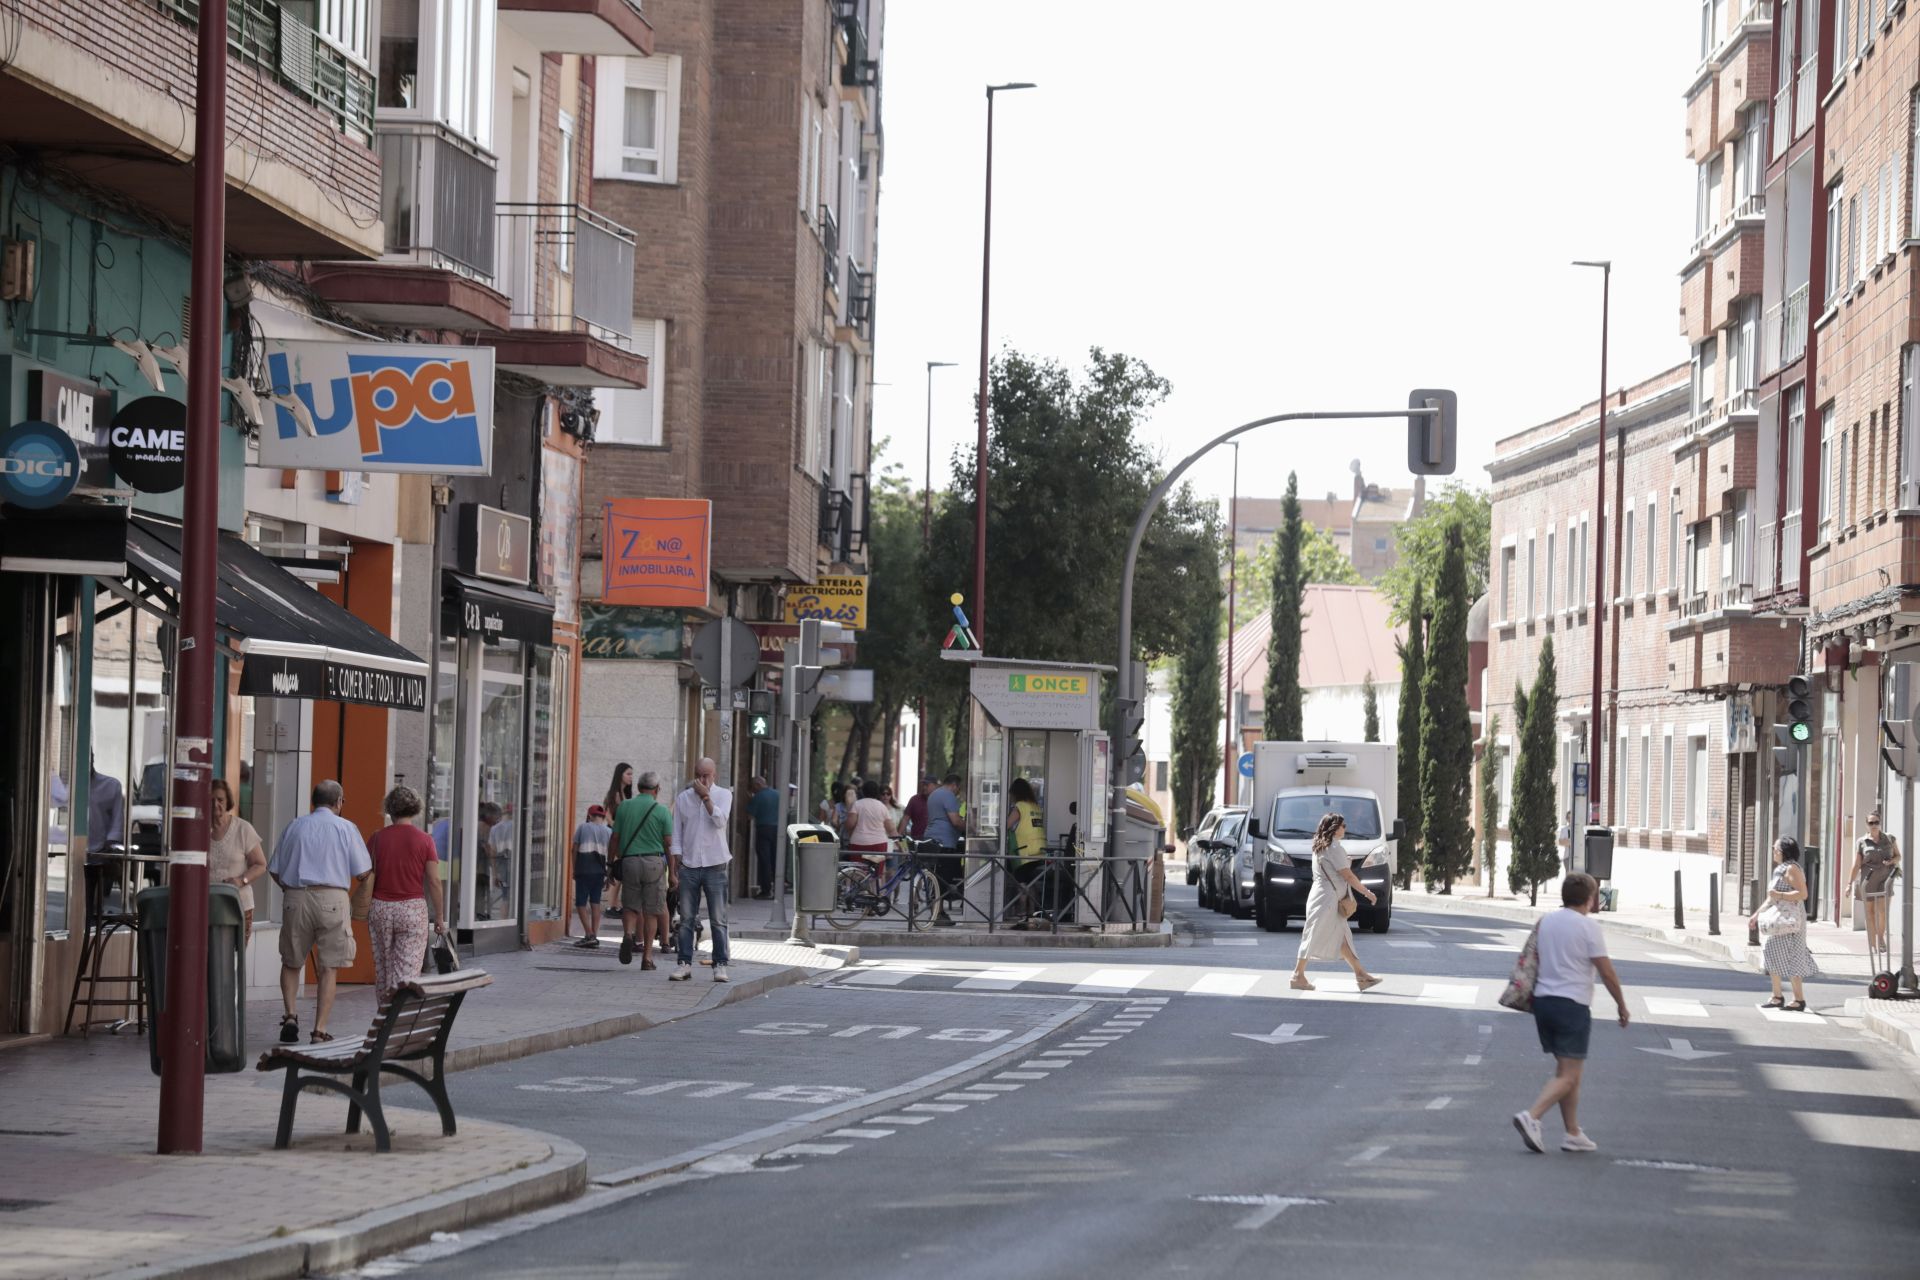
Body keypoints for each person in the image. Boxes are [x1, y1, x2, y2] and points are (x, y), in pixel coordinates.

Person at [1513, 872, 1628, 1155]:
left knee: (1567, 1071)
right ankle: (1532, 1116)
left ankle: (1573, 1133)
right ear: (1590, 898)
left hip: (1543, 1002)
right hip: (1571, 1004)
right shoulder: (1588, 928)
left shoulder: (1547, 921)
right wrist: (1621, 1005)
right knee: (1569, 1074)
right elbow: (1606, 971)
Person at [267, 780, 372, 1044]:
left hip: (297, 896)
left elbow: (275, 869)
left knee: (291, 962)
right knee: (329, 968)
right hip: (333, 897)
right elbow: (362, 871)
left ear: (313, 801)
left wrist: (290, 889)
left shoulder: (294, 826)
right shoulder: (346, 828)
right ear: (339, 802)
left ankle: (290, 1016)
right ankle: (319, 1031)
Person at [364, 786, 445, 1005]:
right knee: (406, 973)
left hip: (380, 908)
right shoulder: (425, 840)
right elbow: (434, 881)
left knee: (384, 967)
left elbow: (364, 873)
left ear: (389, 809)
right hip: (412, 909)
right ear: (416, 808)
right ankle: (398, 1020)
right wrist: (439, 917)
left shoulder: (377, 838)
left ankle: (383, 1016)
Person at [1290, 813, 1383, 992]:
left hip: (1322, 896)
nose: (1345, 828)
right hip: (1327, 900)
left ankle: (1361, 975)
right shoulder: (1334, 848)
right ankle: (1297, 975)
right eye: (1342, 825)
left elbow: (1333, 870)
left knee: (1342, 937)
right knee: (1313, 935)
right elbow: (1347, 875)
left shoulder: (1320, 847)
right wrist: (1367, 892)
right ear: (1334, 828)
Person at [671, 757, 733, 982]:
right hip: (689, 865)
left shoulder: (723, 795)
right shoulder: (683, 799)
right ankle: (684, 963)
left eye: (707, 775)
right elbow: (676, 831)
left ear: (714, 775)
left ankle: (720, 964)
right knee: (686, 918)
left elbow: (720, 821)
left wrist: (706, 797)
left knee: (718, 918)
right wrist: (676, 860)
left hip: (715, 865)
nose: (703, 779)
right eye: (699, 775)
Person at [610, 773, 673, 969]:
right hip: (654, 862)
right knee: (652, 911)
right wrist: (674, 871)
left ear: (638, 788)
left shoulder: (624, 807)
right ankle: (647, 958)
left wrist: (610, 864)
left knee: (630, 906)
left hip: (629, 862)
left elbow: (614, 838)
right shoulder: (662, 811)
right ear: (657, 789)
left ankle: (628, 934)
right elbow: (669, 845)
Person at [1754, 836, 1818, 1011]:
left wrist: (1781, 895)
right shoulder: (1779, 869)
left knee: (1792, 956)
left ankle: (1798, 999)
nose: (1773, 852)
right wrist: (1755, 915)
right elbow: (1770, 897)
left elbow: (1803, 894)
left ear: (1784, 852)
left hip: (1791, 921)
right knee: (1771, 952)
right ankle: (1777, 996)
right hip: (1780, 919)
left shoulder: (1792, 869)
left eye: (1776, 849)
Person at [208, 778, 267, 941]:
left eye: (220, 800)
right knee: (208, 960)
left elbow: (261, 865)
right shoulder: (199, 830)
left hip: (238, 906)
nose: (215, 805)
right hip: (207, 908)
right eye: (210, 800)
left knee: (233, 959)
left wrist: (241, 880)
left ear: (228, 801)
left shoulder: (243, 829)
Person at [1849, 811, 1901, 958]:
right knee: (1870, 914)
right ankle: (1872, 945)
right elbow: (1856, 864)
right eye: (1871, 823)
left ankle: (1880, 938)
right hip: (1868, 880)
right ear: (1867, 825)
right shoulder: (1861, 842)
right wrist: (1849, 883)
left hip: (1885, 880)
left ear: (1880, 822)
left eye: (1876, 822)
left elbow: (1898, 856)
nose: (1874, 825)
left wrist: (1891, 861)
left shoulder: (1889, 838)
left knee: (1882, 912)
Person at [924, 773, 966, 926]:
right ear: (954, 785)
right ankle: (938, 913)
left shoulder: (934, 794)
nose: (957, 791)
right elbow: (955, 821)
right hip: (944, 842)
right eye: (958, 788)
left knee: (936, 877)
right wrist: (969, 828)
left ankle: (937, 912)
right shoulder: (949, 795)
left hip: (931, 839)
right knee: (943, 879)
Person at [1005, 776, 1049, 925]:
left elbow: (1007, 824)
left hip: (1024, 852)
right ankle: (1032, 912)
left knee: (1022, 881)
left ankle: (1023, 912)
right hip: (1039, 850)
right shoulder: (1035, 806)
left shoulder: (1020, 807)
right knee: (1031, 881)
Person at [572, 803, 613, 946]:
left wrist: (574, 868)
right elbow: (612, 854)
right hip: (599, 872)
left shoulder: (583, 827)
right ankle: (594, 935)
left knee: (580, 903)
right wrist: (609, 874)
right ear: (602, 817)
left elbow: (575, 849)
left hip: (583, 870)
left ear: (589, 816)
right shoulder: (608, 832)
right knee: (595, 903)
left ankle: (588, 934)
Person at [603, 762, 636, 918]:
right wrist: (621, 827)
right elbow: (608, 818)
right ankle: (611, 905)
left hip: (623, 837)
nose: (631, 777)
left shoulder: (626, 795)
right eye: (628, 774)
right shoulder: (614, 794)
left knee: (621, 871)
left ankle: (615, 904)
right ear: (620, 775)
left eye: (632, 774)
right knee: (617, 871)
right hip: (615, 837)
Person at [846, 779, 897, 862]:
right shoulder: (882, 807)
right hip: (879, 843)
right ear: (877, 792)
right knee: (877, 872)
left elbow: (850, 824)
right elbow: (891, 829)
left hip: (859, 843)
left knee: (858, 872)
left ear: (863, 792)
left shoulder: (857, 804)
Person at [748, 776, 781, 899]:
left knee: (764, 860)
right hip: (778, 830)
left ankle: (766, 890)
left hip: (763, 830)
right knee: (776, 859)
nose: (753, 789)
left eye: (753, 787)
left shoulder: (758, 797)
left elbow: (749, 816)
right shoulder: (778, 794)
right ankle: (778, 889)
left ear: (757, 785)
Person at [903, 777, 934, 841]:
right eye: (923, 785)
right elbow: (905, 819)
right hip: (916, 839)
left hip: (935, 839)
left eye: (927, 785)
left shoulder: (939, 800)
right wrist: (899, 836)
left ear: (934, 786)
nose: (924, 787)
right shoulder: (914, 799)